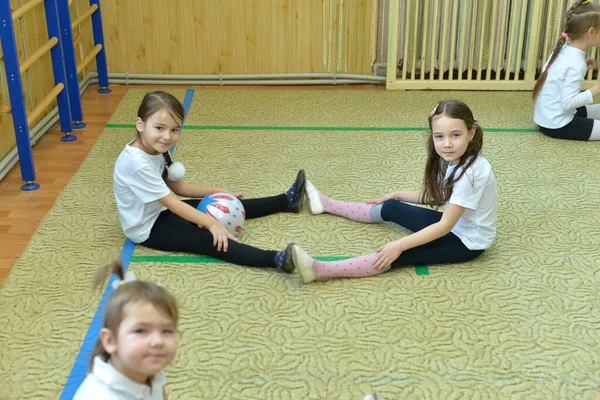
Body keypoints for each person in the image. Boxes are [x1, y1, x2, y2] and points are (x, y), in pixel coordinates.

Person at [293, 100, 497, 283]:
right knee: (390, 207)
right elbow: (442, 196)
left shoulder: (471, 174)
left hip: (467, 242)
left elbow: (444, 226)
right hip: (455, 226)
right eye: (439, 136)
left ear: (471, 133)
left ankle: (319, 270)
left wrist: (399, 245)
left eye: (455, 135)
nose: (447, 144)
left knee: (394, 254)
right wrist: (397, 195)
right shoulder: (455, 158)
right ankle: (325, 204)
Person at [113, 91, 306, 272]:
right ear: (140, 124)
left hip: (161, 210)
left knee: (222, 204)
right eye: (159, 128)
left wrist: (219, 192)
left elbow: (177, 187)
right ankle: (276, 259)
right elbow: (172, 203)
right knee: (210, 239)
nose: (167, 136)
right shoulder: (137, 164)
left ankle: (287, 201)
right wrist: (213, 224)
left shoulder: (156, 148)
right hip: (147, 227)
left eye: (174, 130)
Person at [73, 259, 178, 399]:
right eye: (140, 331)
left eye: (167, 331)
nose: (158, 341)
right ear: (110, 341)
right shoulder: (101, 395)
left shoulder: (148, 367)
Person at [533, 0, 600, 141]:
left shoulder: (564, 49)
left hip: (546, 116)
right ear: (591, 32)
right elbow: (567, 104)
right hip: (558, 125)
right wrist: (596, 89)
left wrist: (584, 66)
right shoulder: (576, 63)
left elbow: (560, 75)